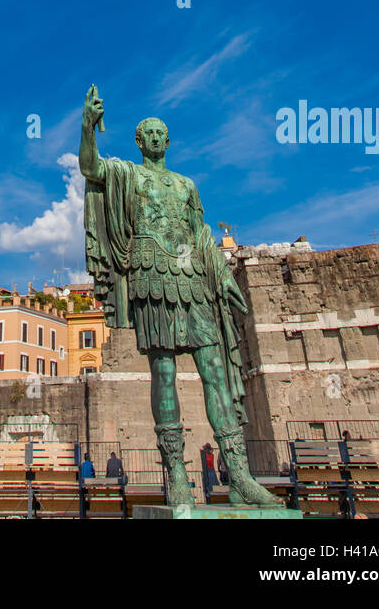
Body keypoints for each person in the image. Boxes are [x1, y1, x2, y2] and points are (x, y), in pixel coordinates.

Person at [80, 84, 278, 507]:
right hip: (151, 277)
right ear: (138, 141)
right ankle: (176, 476)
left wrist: (221, 274)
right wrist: (88, 125)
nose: (154, 137)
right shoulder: (128, 174)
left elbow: (202, 235)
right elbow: (90, 168)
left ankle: (240, 475)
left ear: (167, 140)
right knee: (164, 374)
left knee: (215, 371)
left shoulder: (187, 184)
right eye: (147, 133)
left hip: (191, 278)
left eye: (160, 132)